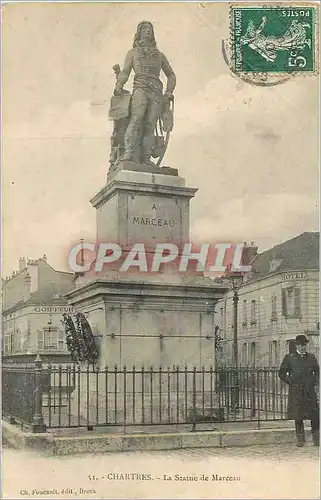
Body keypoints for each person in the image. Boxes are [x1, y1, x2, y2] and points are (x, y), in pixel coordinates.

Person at [113, 21, 176, 165]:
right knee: (136, 119)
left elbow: (171, 75)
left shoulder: (159, 56)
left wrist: (168, 92)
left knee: (150, 125)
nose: (148, 31)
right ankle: (129, 152)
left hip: (156, 92)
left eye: (151, 29)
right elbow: (125, 72)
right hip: (140, 88)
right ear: (139, 32)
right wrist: (119, 84)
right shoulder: (133, 53)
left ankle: (146, 157)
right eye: (145, 29)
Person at [279, 334, 319, 447]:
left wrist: (315, 383)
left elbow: (317, 371)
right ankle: (300, 440)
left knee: (315, 415)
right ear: (296, 345)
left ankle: (317, 439)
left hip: (310, 391)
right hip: (296, 391)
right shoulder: (289, 358)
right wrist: (290, 381)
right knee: (298, 416)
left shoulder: (311, 357)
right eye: (301, 345)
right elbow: (281, 373)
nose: (303, 347)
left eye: (305, 345)